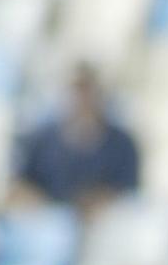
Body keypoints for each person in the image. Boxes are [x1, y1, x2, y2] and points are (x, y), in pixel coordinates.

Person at [14, 63, 140, 211]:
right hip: (49, 219)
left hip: (107, 220)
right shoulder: (41, 140)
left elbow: (128, 192)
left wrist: (97, 202)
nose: (82, 98)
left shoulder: (122, 143)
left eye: (87, 89)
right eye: (76, 89)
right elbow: (23, 185)